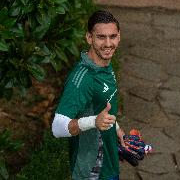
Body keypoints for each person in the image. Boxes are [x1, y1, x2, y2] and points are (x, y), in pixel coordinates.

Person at [52, 10, 125, 180]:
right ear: (89, 38)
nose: (108, 44)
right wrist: (93, 121)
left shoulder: (105, 64)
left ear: (119, 37)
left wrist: (117, 130)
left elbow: (102, 107)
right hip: (91, 171)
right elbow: (57, 127)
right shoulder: (83, 79)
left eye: (112, 36)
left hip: (110, 163)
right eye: (101, 37)